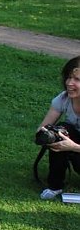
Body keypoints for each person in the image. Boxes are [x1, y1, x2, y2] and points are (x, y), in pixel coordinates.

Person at [37, 55, 80, 200]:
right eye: (68, 77)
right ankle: (55, 186)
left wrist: (73, 147)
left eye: (77, 79)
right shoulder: (63, 99)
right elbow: (41, 129)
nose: (69, 83)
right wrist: (50, 135)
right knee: (62, 130)